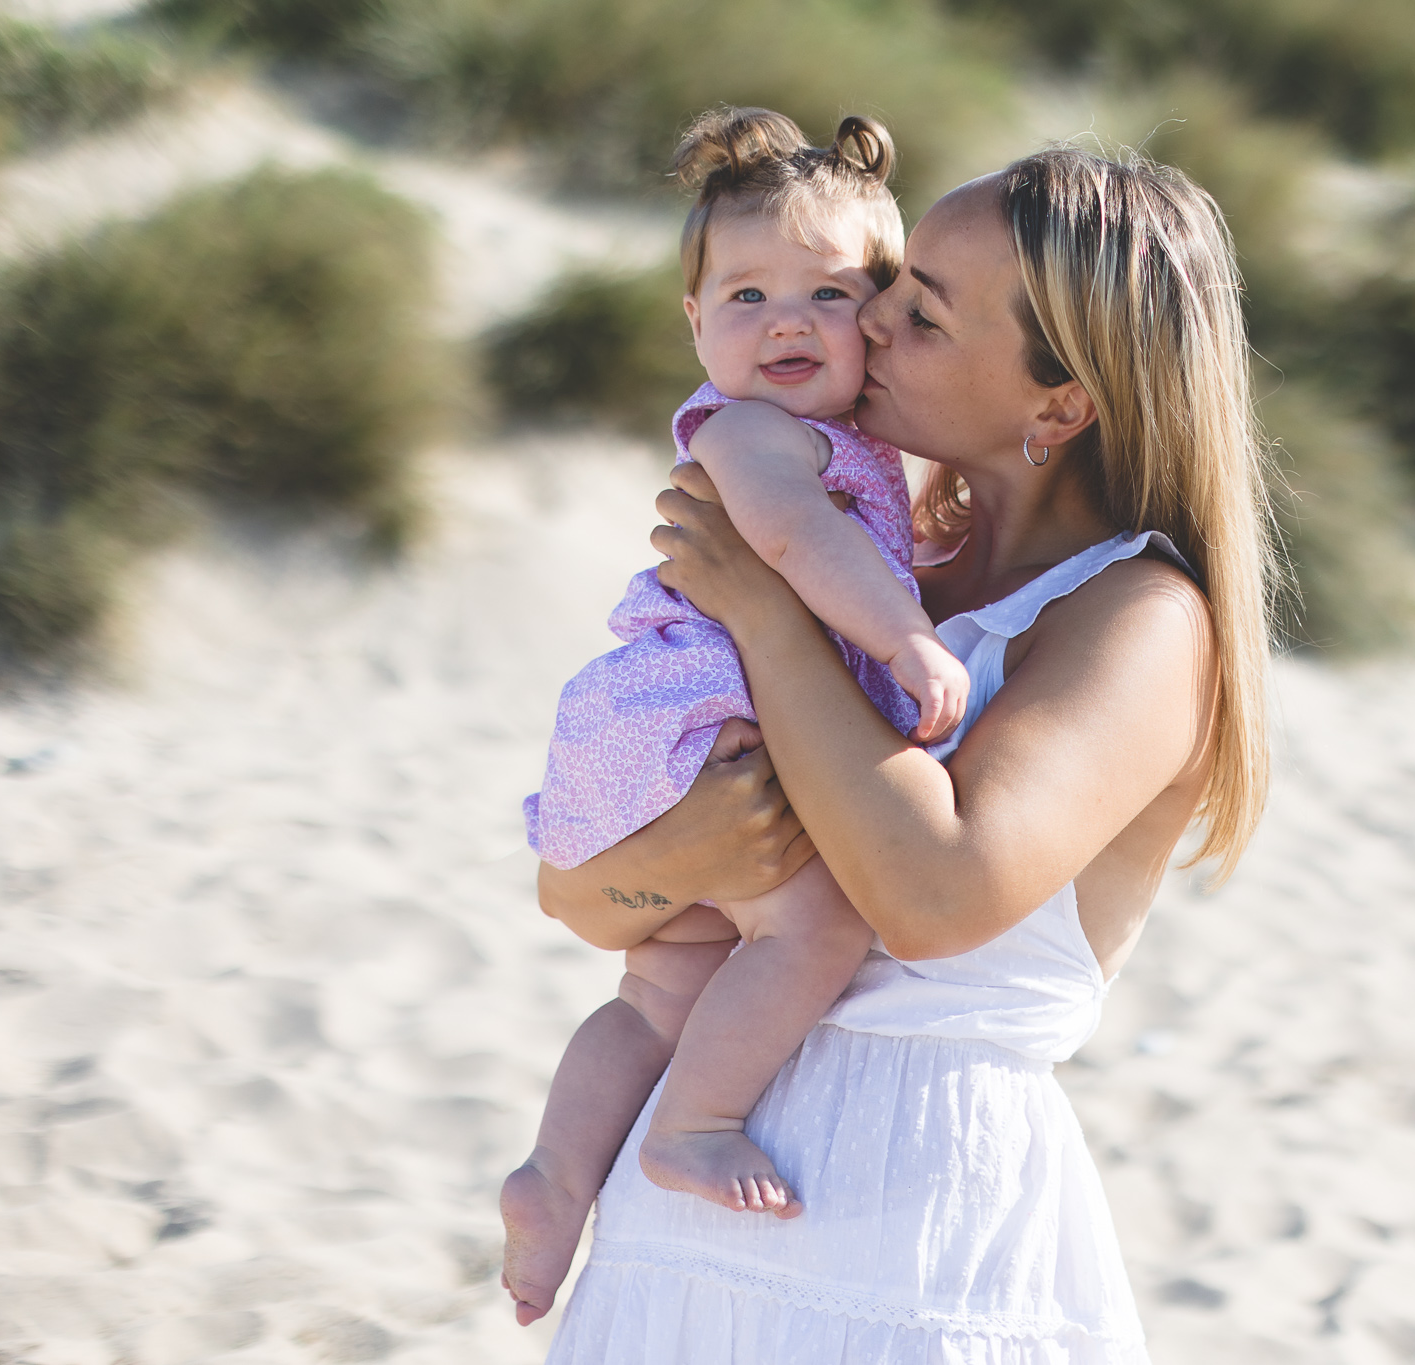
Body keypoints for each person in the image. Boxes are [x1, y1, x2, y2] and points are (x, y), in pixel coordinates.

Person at [535, 142, 1289, 1360]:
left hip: (916, 1235)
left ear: (1062, 403)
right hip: (681, 1224)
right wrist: (671, 852)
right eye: (888, 282)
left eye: (920, 312)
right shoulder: (867, 562)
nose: (865, 319)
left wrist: (770, 609)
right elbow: (580, 897)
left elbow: (933, 895)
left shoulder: (1140, 621)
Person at [499, 107, 970, 1326]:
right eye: (746, 297)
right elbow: (791, 543)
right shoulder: (756, 433)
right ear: (694, 322)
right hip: (698, 720)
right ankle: (694, 1127)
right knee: (808, 934)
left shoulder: (834, 437)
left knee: (660, 987)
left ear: (877, 316)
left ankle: (553, 1182)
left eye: (827, 295)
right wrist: (901, 635)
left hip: (668, 721)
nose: (785, 323)